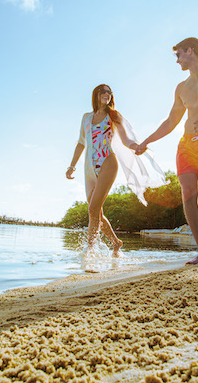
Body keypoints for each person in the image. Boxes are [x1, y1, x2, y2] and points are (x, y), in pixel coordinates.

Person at [136, 38, 198, 264]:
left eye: (178, 55)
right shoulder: (181, 88)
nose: (177, 60)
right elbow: (171, 120)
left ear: (190, 51)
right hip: (187, 145)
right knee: (188, 194)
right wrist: (146, 141)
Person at [67, 84, 165, 258]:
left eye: (109, 92)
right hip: (89, 167)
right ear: (96, 95)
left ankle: (90, 252)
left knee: (92, 208)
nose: (107, 94)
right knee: (97, 211)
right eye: (103, 91)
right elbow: (81, 143)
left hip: (108, 162)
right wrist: (72, 165)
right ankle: (116, 242)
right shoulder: (86, 118)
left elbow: (126, 139)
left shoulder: (113, 116)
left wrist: (136, 146)